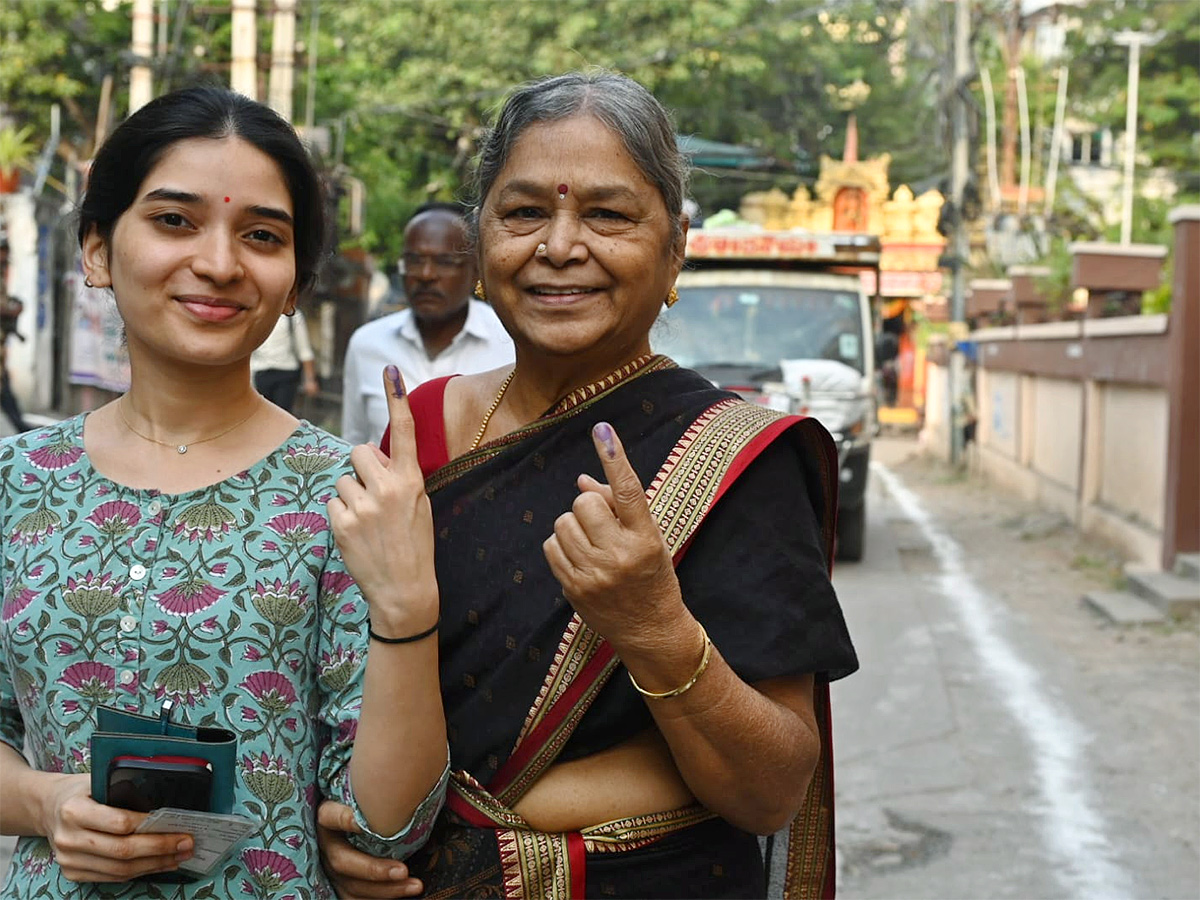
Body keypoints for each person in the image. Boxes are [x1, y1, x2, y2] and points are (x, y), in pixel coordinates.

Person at [317, 71, 857, 899]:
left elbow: (771, 789)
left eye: (607, 214)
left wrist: (654, 624)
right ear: (480, 240)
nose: (560, 246)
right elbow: (349, 702)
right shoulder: (416, 429)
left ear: (674, 248)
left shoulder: (734, 458)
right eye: (525, 212)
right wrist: (356, 829)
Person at [0, 85, 449, 896]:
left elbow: (391, 823)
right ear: (98, 249)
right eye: (174, 220)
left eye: (262, 235)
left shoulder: (348, 499)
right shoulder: (17, 482)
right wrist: (46, 801)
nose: (218, 262)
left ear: (295, 281)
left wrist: (410, 609)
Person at [340, 202, 513, 445]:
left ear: (476, 270)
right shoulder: (366, 344)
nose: (426, 275)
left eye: (444, 261)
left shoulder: (510, 342)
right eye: (414, 260)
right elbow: (353, 445)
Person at [250, 305, 319, 413]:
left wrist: (310, 380)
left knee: (282, 415)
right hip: (260, 372)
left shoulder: (294, 316)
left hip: (286, 372)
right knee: (261, 416)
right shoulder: (255, 313)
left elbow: (304, 350)